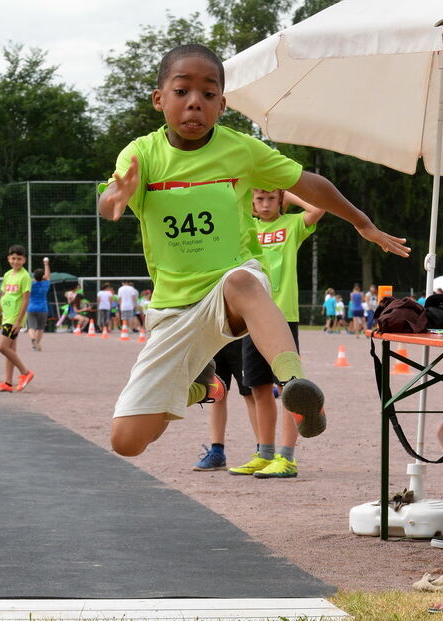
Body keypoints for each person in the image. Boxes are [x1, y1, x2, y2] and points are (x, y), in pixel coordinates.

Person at [98, 43, 409, 459]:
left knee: (242, 280)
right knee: (128, 442)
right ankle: (203, 386)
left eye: (208, 95)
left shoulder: (240, 149)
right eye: (181, 92)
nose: (195, 103)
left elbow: (308, 183)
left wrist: (361, 221)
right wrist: (115, 199)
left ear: (222, 104)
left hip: (231, 287)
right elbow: (110, 199)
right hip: (173, 309)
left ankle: (296, 387)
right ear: (159, 99)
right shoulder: (141, 155)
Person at [229, 189, 324, 479]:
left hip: (283, 316)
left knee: (289, 388)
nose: (265, 204)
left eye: (271, 198)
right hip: (251, 317)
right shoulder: (246, 228)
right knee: (257, 387)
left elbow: (319, 207)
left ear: (280, 200)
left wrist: (290, 195)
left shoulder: (291, 225)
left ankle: (287, 457)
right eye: (259, 199)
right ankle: (264, 453)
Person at [192, 340, 258, 470]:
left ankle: (263, 452)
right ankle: (217, 453)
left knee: (251, 394)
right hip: (215, 336)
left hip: (241, 335)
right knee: (216, 394)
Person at [0, 244, 34, 393]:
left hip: (14, 318)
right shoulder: (8, 274)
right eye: (13, 258)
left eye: (19, 259)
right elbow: (4, 296)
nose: (15, 261)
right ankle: (8, 383)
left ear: (24, 260)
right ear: (9, 258)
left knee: (2, 347)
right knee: (10, 349)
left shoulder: (25, 276)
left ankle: (25, 373)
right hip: (6, 316)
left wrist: (18, 320)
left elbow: (25, 300)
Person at [27, 256, 51, 350]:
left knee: (31, 327)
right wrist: (46, 264)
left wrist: (33, 279)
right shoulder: (46, 284)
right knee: (40, 328)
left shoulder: (30, 284)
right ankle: (36, 344)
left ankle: (33, 339)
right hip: (43, 308)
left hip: (31, 307)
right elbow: (48, 275)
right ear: (43, 276)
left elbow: (29, 281)